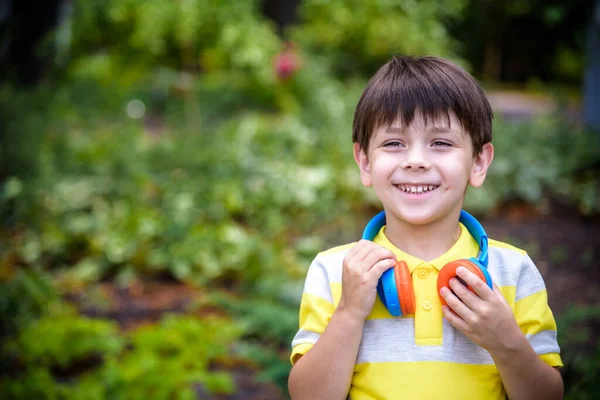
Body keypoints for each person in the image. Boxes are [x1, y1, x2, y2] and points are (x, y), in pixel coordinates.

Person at [287, 55, 563, 400]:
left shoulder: (513, 271)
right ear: (365, 162)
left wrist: (504, 340)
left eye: (441, 143)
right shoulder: (335, 271)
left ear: (478, 162)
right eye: (393, 143)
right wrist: (349, 311)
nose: (415, 160)